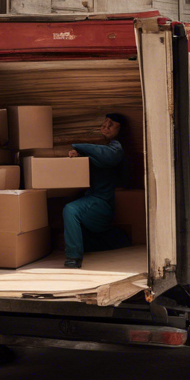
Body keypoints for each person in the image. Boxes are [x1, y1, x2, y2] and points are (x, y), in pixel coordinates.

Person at [62, 113, 126, 269]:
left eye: (111, 124)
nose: (105, 126)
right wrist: (80, 156)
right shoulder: (105, 148)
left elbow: (107, 156)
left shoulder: (117, 148)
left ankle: (73, 258)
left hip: (102, 204)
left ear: (121, 129)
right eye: (104, 123)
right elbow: (98, 157)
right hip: (92, 201)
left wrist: (78, 147)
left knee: (70, 210)